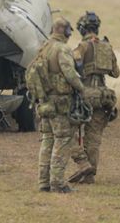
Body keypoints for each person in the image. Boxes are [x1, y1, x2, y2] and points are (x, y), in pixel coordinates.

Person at [32, 18, 86, 193]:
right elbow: (70, 74)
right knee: (62, 141)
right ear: (66, 31)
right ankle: (58, 183)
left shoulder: (44, 47)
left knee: (47, 140)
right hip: (60, 103)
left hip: (45, 102)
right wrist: (81, 88)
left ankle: (43, 182)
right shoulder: (62, 49)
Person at [68, 11, 120, 185]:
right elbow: (116, 72)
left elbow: (72, 65)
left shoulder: (83, 46)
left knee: (67, 131)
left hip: (86, 94)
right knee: (94, 137)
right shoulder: (107, 46)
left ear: (82, 29)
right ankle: (90, 174)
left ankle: (82, 163)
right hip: (104, 96)